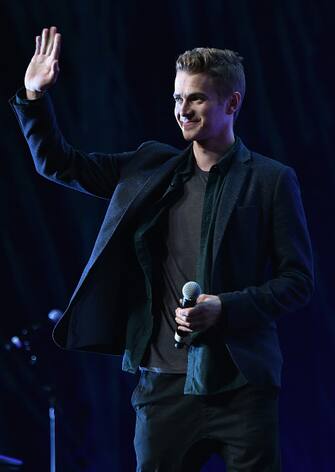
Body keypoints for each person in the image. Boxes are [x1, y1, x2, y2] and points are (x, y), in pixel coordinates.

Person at [10, 26, 314, 471]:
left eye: (196, 99)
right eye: (177, 98)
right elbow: (60, 163)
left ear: (232, 103)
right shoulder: (149, 168)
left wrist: (225, 308)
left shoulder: (270, 180)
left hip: (242, 387)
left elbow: (298, 282)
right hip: (163, 387)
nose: (182, 110)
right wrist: (34, 97)